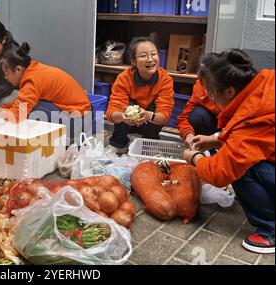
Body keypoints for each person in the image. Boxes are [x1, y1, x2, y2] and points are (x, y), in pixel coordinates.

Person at [183, 49, 275, 254]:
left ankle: (270, 230)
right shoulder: (265, 83)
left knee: (240, 169)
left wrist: (194, 157)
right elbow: (259, 136)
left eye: (212, 94)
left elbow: (220, 173)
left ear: (230, 91)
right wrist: (217, 139)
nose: (211, 99)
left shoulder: (251, 119)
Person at [0, 42, 92, 140]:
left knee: (33, 111)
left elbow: (17, 116)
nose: (5, 77)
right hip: (81, 115)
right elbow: (20, 104)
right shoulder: (34, 69)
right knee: (28, 106)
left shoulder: (32, 81)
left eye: (7, 73)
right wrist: (3, 109)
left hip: (79, 122)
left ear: (18, 69)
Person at [106, 36, 174, 154]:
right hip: (127, 123)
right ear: (133, 61)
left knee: (156, 110)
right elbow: (111, 114)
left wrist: (148, 115)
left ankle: (149, 143)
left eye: (154, 54)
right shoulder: (124, 78)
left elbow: (164, 116)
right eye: (143, 56)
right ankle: (119, 143)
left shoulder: (165, 80)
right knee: (126, 107)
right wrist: (123, 116)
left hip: (149, 121)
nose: (150, 59)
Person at [177, 80, 221, 148]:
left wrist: (214, 139)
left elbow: (236, 129)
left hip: (229, 131)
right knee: (197, 114)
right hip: (212, 125)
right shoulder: (201, 85)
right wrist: (188, 134)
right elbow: (184, 116)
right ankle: (206, 149)